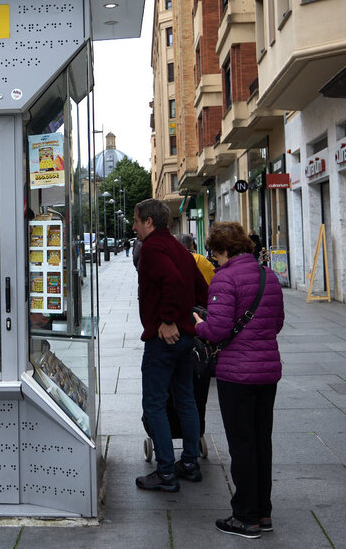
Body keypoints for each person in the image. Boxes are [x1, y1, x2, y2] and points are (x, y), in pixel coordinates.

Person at [192, 222, 284, 539]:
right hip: (267, 372)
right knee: (261, 442)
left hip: (237, 375)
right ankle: (263, 512)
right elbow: (277, 322)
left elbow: (216, 331)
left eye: (216, 254)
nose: (215, 260)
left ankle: (245, 517)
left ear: (225, 250)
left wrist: (198, 323)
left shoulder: (225, 279)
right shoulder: (267, 276)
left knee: (242, 445)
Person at [132, 199, 208, 493]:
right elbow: (202, 288)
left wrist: (167, 320)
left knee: (154, 403)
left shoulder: (152, 248)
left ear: (149, 222)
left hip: (163, 339)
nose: (134, 226)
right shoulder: (180, 247)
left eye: (137, 220)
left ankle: (165, 471)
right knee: (185, 398)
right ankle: (189, 463)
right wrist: (189, 316)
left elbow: (173, 282)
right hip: (185, 338)